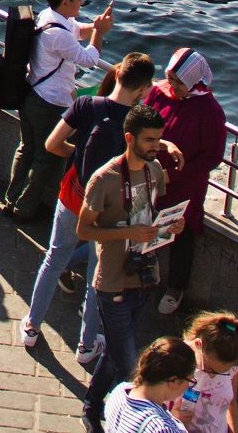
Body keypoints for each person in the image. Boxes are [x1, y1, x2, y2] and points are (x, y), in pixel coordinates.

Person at [21, 52, 166, 362]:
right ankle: (87, 345)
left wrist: (79, 152)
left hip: (74, 196)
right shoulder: (137, 123)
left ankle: (32, 326)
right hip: (112, 209)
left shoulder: (86, 105)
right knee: (96, 275)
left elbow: (51, 144)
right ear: (143, 89)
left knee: (54, 259)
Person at [79, 104, 182, 408]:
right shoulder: (104, 179)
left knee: (114, 352)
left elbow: (147, 222)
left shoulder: (153, 171)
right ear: (129, 138)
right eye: (150, 140)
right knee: (129, 363)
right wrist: (127, 234)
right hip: (112, 281)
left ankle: (92, 405)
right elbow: (84, 230)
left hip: (144, 275)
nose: (156, 147)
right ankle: (127, 414)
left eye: (159, 139)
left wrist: (171, 227)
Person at [5, 0, 113, 221]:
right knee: (45, 157)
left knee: (26, 149)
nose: (82, 2)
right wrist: (101, 34)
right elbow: (89, 59)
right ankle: (25, 208)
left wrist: (96, 27)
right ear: (66, 2)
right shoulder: (59, 34)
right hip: (50, 102)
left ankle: (12, 199)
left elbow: (78, 32)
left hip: (33, 92)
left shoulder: (49, 17)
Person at [145, 47, 226, 316]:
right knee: (143, 223)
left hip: (185, 186)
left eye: (179, 82)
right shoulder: (159, 92)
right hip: (150, 175)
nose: (173, 86)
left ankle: (176, 288)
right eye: (170, 78)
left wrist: (175, 174)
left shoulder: (209, 110)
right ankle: (142, 270)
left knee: (181, 234)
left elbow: (212, 157)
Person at [173, 312, 238, 433]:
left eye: (223, 372)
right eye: (209, 368)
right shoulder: (176, 356)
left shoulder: (234, 365)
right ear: (197, 345)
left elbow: (231, 402)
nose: (212, 376)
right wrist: (172, 417)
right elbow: (151, 399)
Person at [102, 336, 197, 433]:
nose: (188, 385)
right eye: (190, 380)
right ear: (174, 381)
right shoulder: (161, 428)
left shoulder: (119, 391)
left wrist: (172, 419)